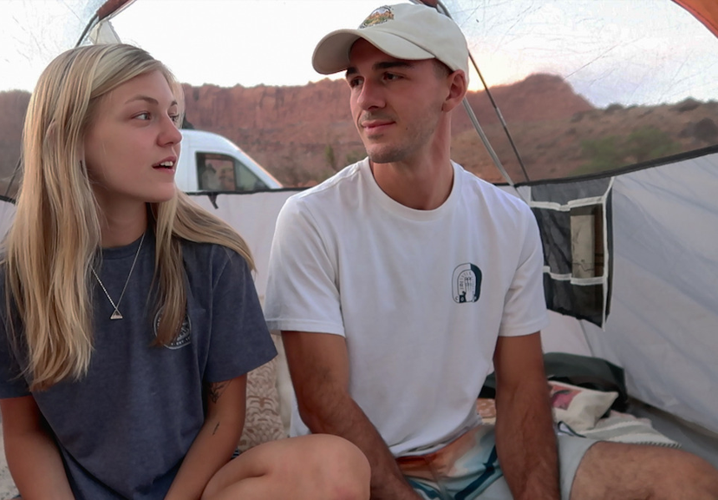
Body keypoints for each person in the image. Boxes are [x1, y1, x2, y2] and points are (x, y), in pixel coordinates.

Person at [264, 4, 718, 500]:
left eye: (390, 75)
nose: (366, 99)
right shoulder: (312, 219)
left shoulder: (507, 220)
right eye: (355, 80)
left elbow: (521, 386)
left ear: (453, 89)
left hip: (470, 452)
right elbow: (322, 400)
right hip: (356, 471)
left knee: (690, 482)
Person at [0, 43, 370, 500]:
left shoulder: (213, 258)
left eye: (173, 114)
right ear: (70, 138)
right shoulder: (9, 281)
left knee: (339, 466)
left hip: (197, 490)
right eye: (144, 116)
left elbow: (224, 416)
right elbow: (24, 433)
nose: (173, 135)